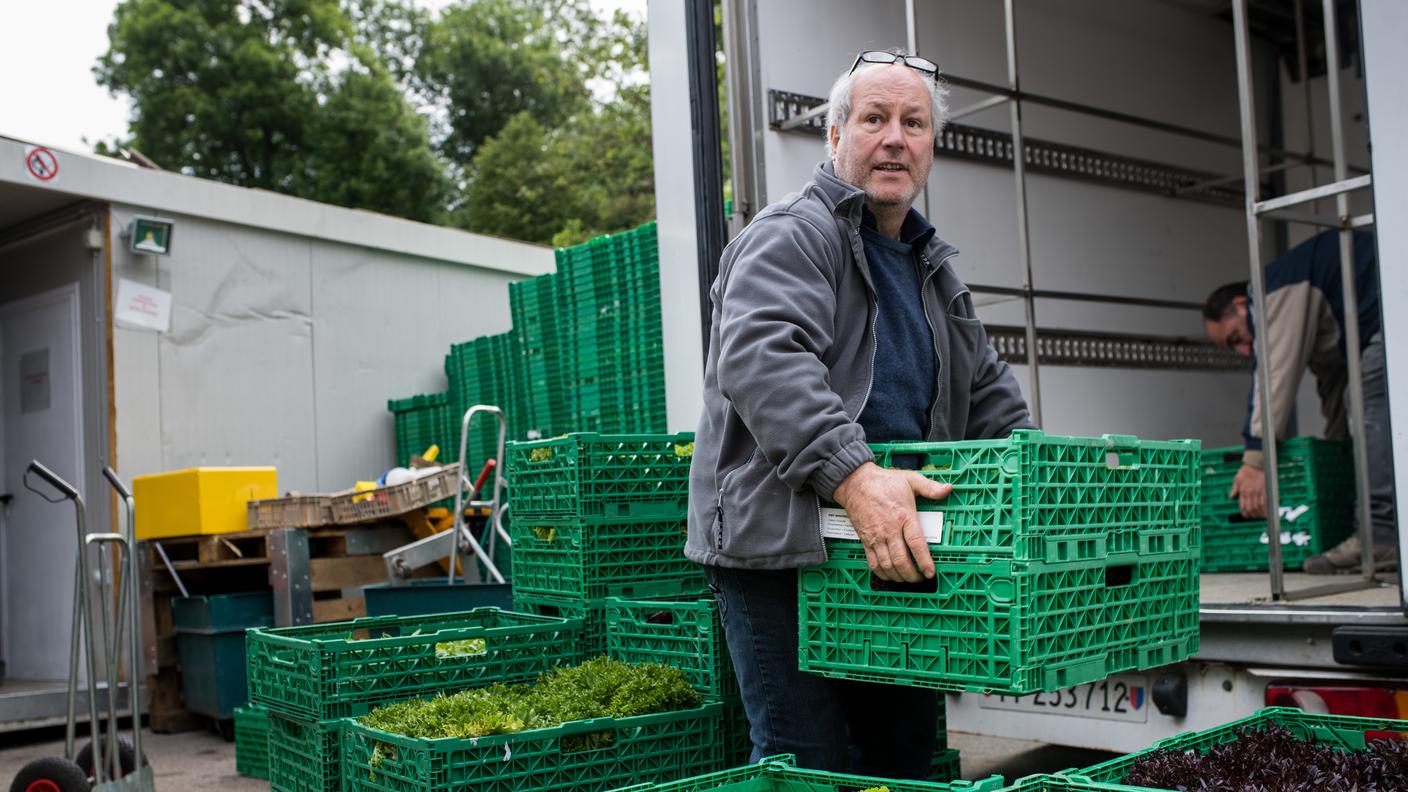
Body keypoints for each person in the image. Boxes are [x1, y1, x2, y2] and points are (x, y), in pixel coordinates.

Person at [686, 49, 1032, 777]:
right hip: (785, 554)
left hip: (885, 548)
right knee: (804, 758)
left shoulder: (932, 267)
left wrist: (1051, 474)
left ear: (931, 147)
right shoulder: (792, 236)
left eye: (914, 122)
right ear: (836, 136)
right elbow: (763, 360)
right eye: (874, 118)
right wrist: (855, 476)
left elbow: (990, 396)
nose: (895, 138)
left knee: (903, 756)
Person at [1202, 229, 1395, 574]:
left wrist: (1256, 460)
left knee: (1370, 398)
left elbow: (1273, 373)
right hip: (1383, 316)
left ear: (1243, 305)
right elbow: (1335, 383)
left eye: (1236, 338)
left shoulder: (1273, 291)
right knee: (1363, 398)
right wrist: (1338, 453)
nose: (1244, 350)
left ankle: (1383, 535)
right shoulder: (1316, 310)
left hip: (1395, 308)